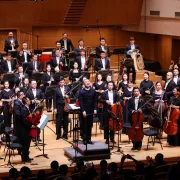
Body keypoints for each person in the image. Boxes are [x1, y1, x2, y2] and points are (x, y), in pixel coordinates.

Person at [78, 79, 97, 144]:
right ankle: (84, 139)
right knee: (84, 125)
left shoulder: (93, 91)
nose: (88, 83)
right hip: (84, 111)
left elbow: (95, 101)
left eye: (88, 82)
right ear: (84, 84)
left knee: (89, 125)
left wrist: (95, 109)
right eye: (86, 82)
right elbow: (81, 102)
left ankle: (89, 139)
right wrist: (83, 110)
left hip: (91, 110)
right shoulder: (81, 92)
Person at [19, 97, 34, 162]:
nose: (30, 101)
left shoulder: (27, 108)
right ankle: (24, 158)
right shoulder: (24, 109)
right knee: (25, 144)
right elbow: (24, 121)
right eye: (28, 100)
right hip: (25, 130)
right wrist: (31, 126)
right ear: (26, 102)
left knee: (27, 144)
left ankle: (26, 157)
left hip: (27, 129)